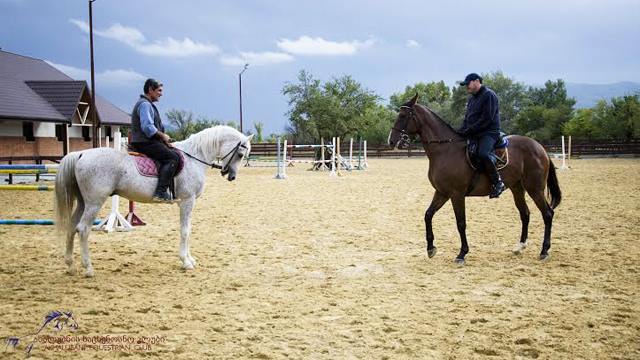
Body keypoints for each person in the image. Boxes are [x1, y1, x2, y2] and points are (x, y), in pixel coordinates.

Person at [130, 78, 179, 202]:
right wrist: (162, 136)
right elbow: (147, 127)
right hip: (144, 142)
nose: (161, 93)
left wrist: (165, 141)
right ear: (150, 89)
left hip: (146, 141)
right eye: (159, 90)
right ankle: (160, 192)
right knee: (173, 158)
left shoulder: (147, 104)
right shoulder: (145, 104)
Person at [458, 73, 506, 198]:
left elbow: (487, 118)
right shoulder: (472, 99)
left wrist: (470, 130)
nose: (466, 87)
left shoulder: (489, 95)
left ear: (476, 81)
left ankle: (498, 182)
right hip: (475, 133)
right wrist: (460, 131)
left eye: (467, 84)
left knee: (483, 153)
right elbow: (467, 119)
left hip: (489, 132)